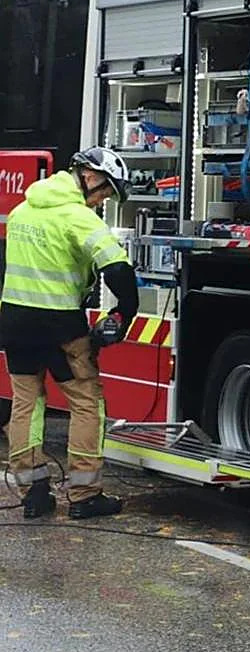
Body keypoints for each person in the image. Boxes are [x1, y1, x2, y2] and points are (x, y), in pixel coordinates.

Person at [1, 146, 139, 519]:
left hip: (15, 322)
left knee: (27, 403)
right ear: (90, 177)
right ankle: (84, 494)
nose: (103, 200)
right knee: (86, 400)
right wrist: (125, 311)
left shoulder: (22, 211)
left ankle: (34, 492)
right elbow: (118, 269)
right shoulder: (79, 218)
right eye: (106, 191)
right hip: (60, 325)